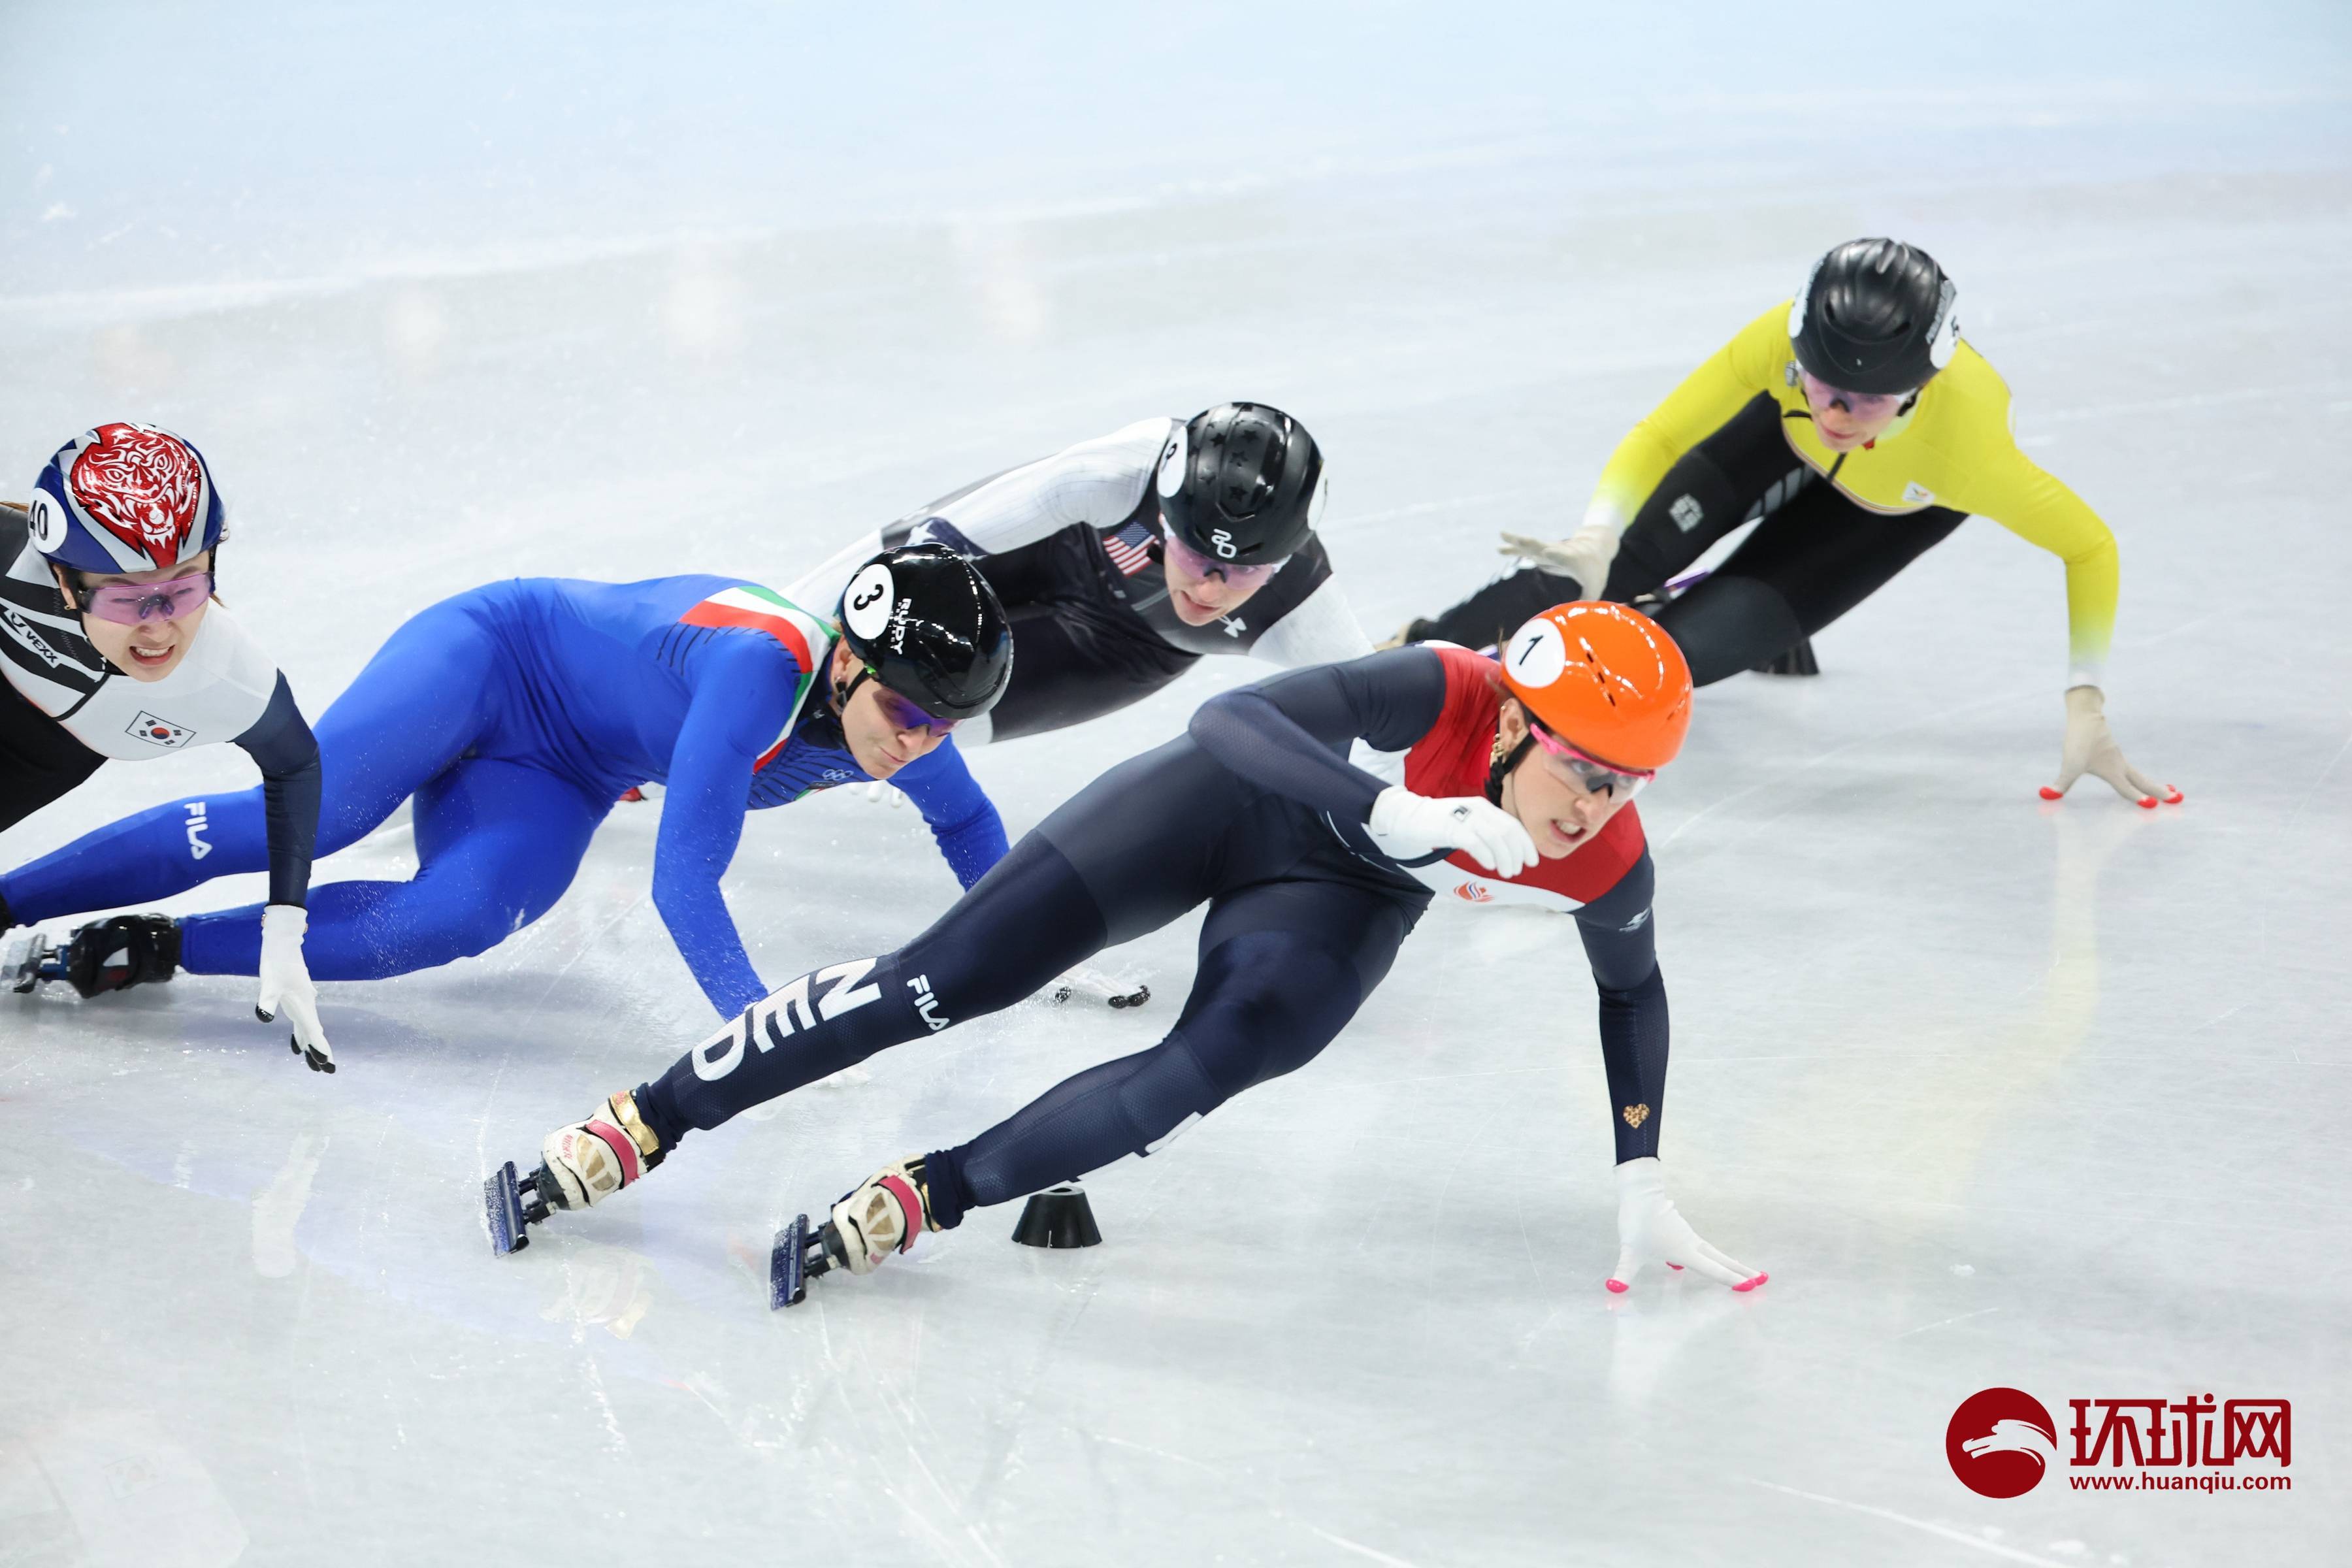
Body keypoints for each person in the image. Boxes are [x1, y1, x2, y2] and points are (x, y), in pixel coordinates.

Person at [501, 601, 1765, 1299]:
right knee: (940, 982)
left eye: (1630, 783)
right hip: (1228, 798)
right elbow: (1231, 718)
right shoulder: (1445, 689)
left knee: (1216, 1060)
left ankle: (928, 1195)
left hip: (1336, 901)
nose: (1597, 807)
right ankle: (649, 1119)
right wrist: (1394, 807)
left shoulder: (1604, 854)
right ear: (1516, 723)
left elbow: (1631, 990)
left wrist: (1639, 1172)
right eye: (1584, 769)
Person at [0, 544, 1011, 1043]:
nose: (918, 742)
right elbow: (686, 888)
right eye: (906, 712)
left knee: (455, 919)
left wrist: (1030, 933)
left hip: (560, 771)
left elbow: (966, 820)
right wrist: (764, 1030)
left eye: (942, 727)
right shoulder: (763, 671)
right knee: (318, 820)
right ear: (846, 664)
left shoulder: (908, 726)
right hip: (492, 657)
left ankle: (160, 945)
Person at [1392, 238, 2177, 809]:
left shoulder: (1969, 449)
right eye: (1820, 381)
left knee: (1671, 661)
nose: (1835, 411)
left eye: (1863, 401)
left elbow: (2089, 546)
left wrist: (2087, 702)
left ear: (1919, 389)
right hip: (1774, 439)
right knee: (1603, 566)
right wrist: (1599, 531)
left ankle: (1550, 707)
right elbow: (1663, 435)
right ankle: (1412, 655)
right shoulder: (1780, 350)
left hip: (1883, 514)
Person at [0, 422, 331, 1068]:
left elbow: (296, 765)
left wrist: (285, 930)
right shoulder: (9, 561)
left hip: (48, 756)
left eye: (183, 589)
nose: (159, 629)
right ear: (64, 581)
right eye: (126, 599)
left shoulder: (228, 676)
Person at [784, 402, 1376, 747]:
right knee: (811, 634)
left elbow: (1398, 726)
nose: (1207, 589)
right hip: (1048, 546)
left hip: (1118, 651)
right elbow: (932, 540)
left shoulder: (1304, 609)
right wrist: (789, 628)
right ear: (1166, 518)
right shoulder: (1111, 474)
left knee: (893, 730)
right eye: (1197, 556)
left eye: (1244, 575)